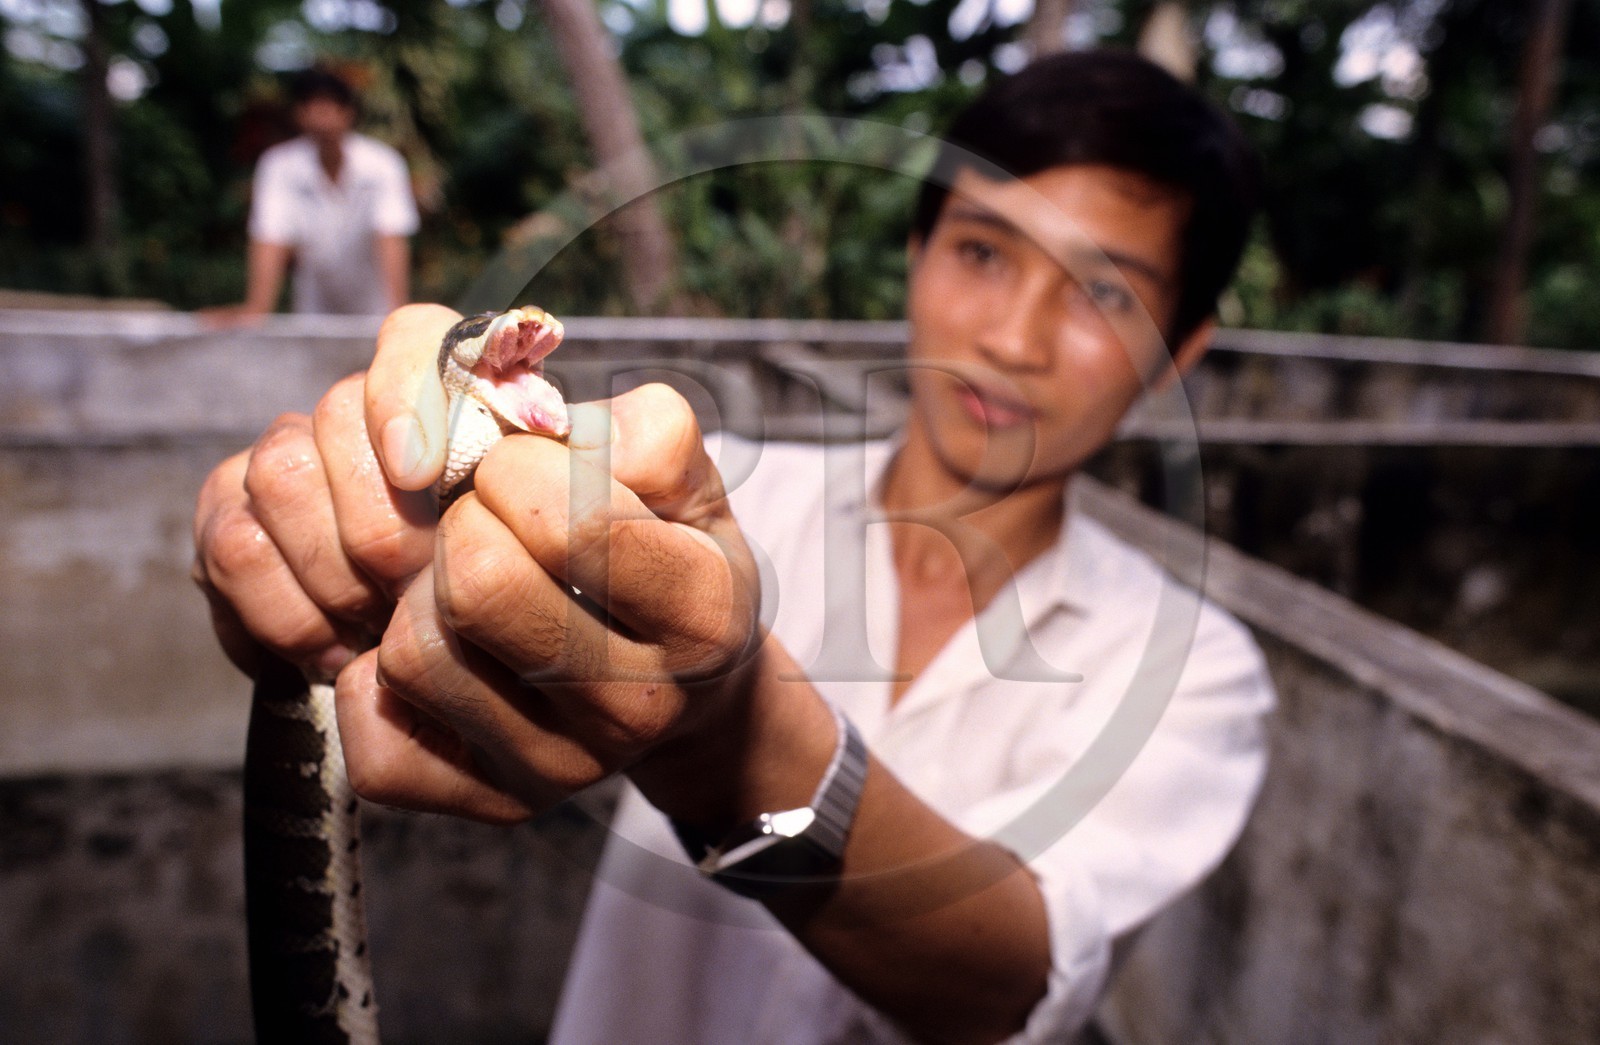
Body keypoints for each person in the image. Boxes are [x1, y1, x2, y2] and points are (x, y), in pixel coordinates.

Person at [193, 50, 1273, 1044]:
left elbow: (1005, 983)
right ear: (915, 255)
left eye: (1103, 292)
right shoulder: (706, 482)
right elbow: (373, 570)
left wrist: (733, 738)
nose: (1013, 337)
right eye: (984, 253)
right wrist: (306, 541)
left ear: (1177, 352)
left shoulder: (1194, 672)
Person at [203, 67, 419, 327]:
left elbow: (391, 238)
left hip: (376, 310)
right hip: (312, 310)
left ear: (348, 112)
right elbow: (270, 237)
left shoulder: (383, 164)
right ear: (299, 114)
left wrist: (399, 316)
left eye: (330, 105)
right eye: (313, 105)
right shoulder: (279, 166)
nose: (322, 115)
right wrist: (257, 308)